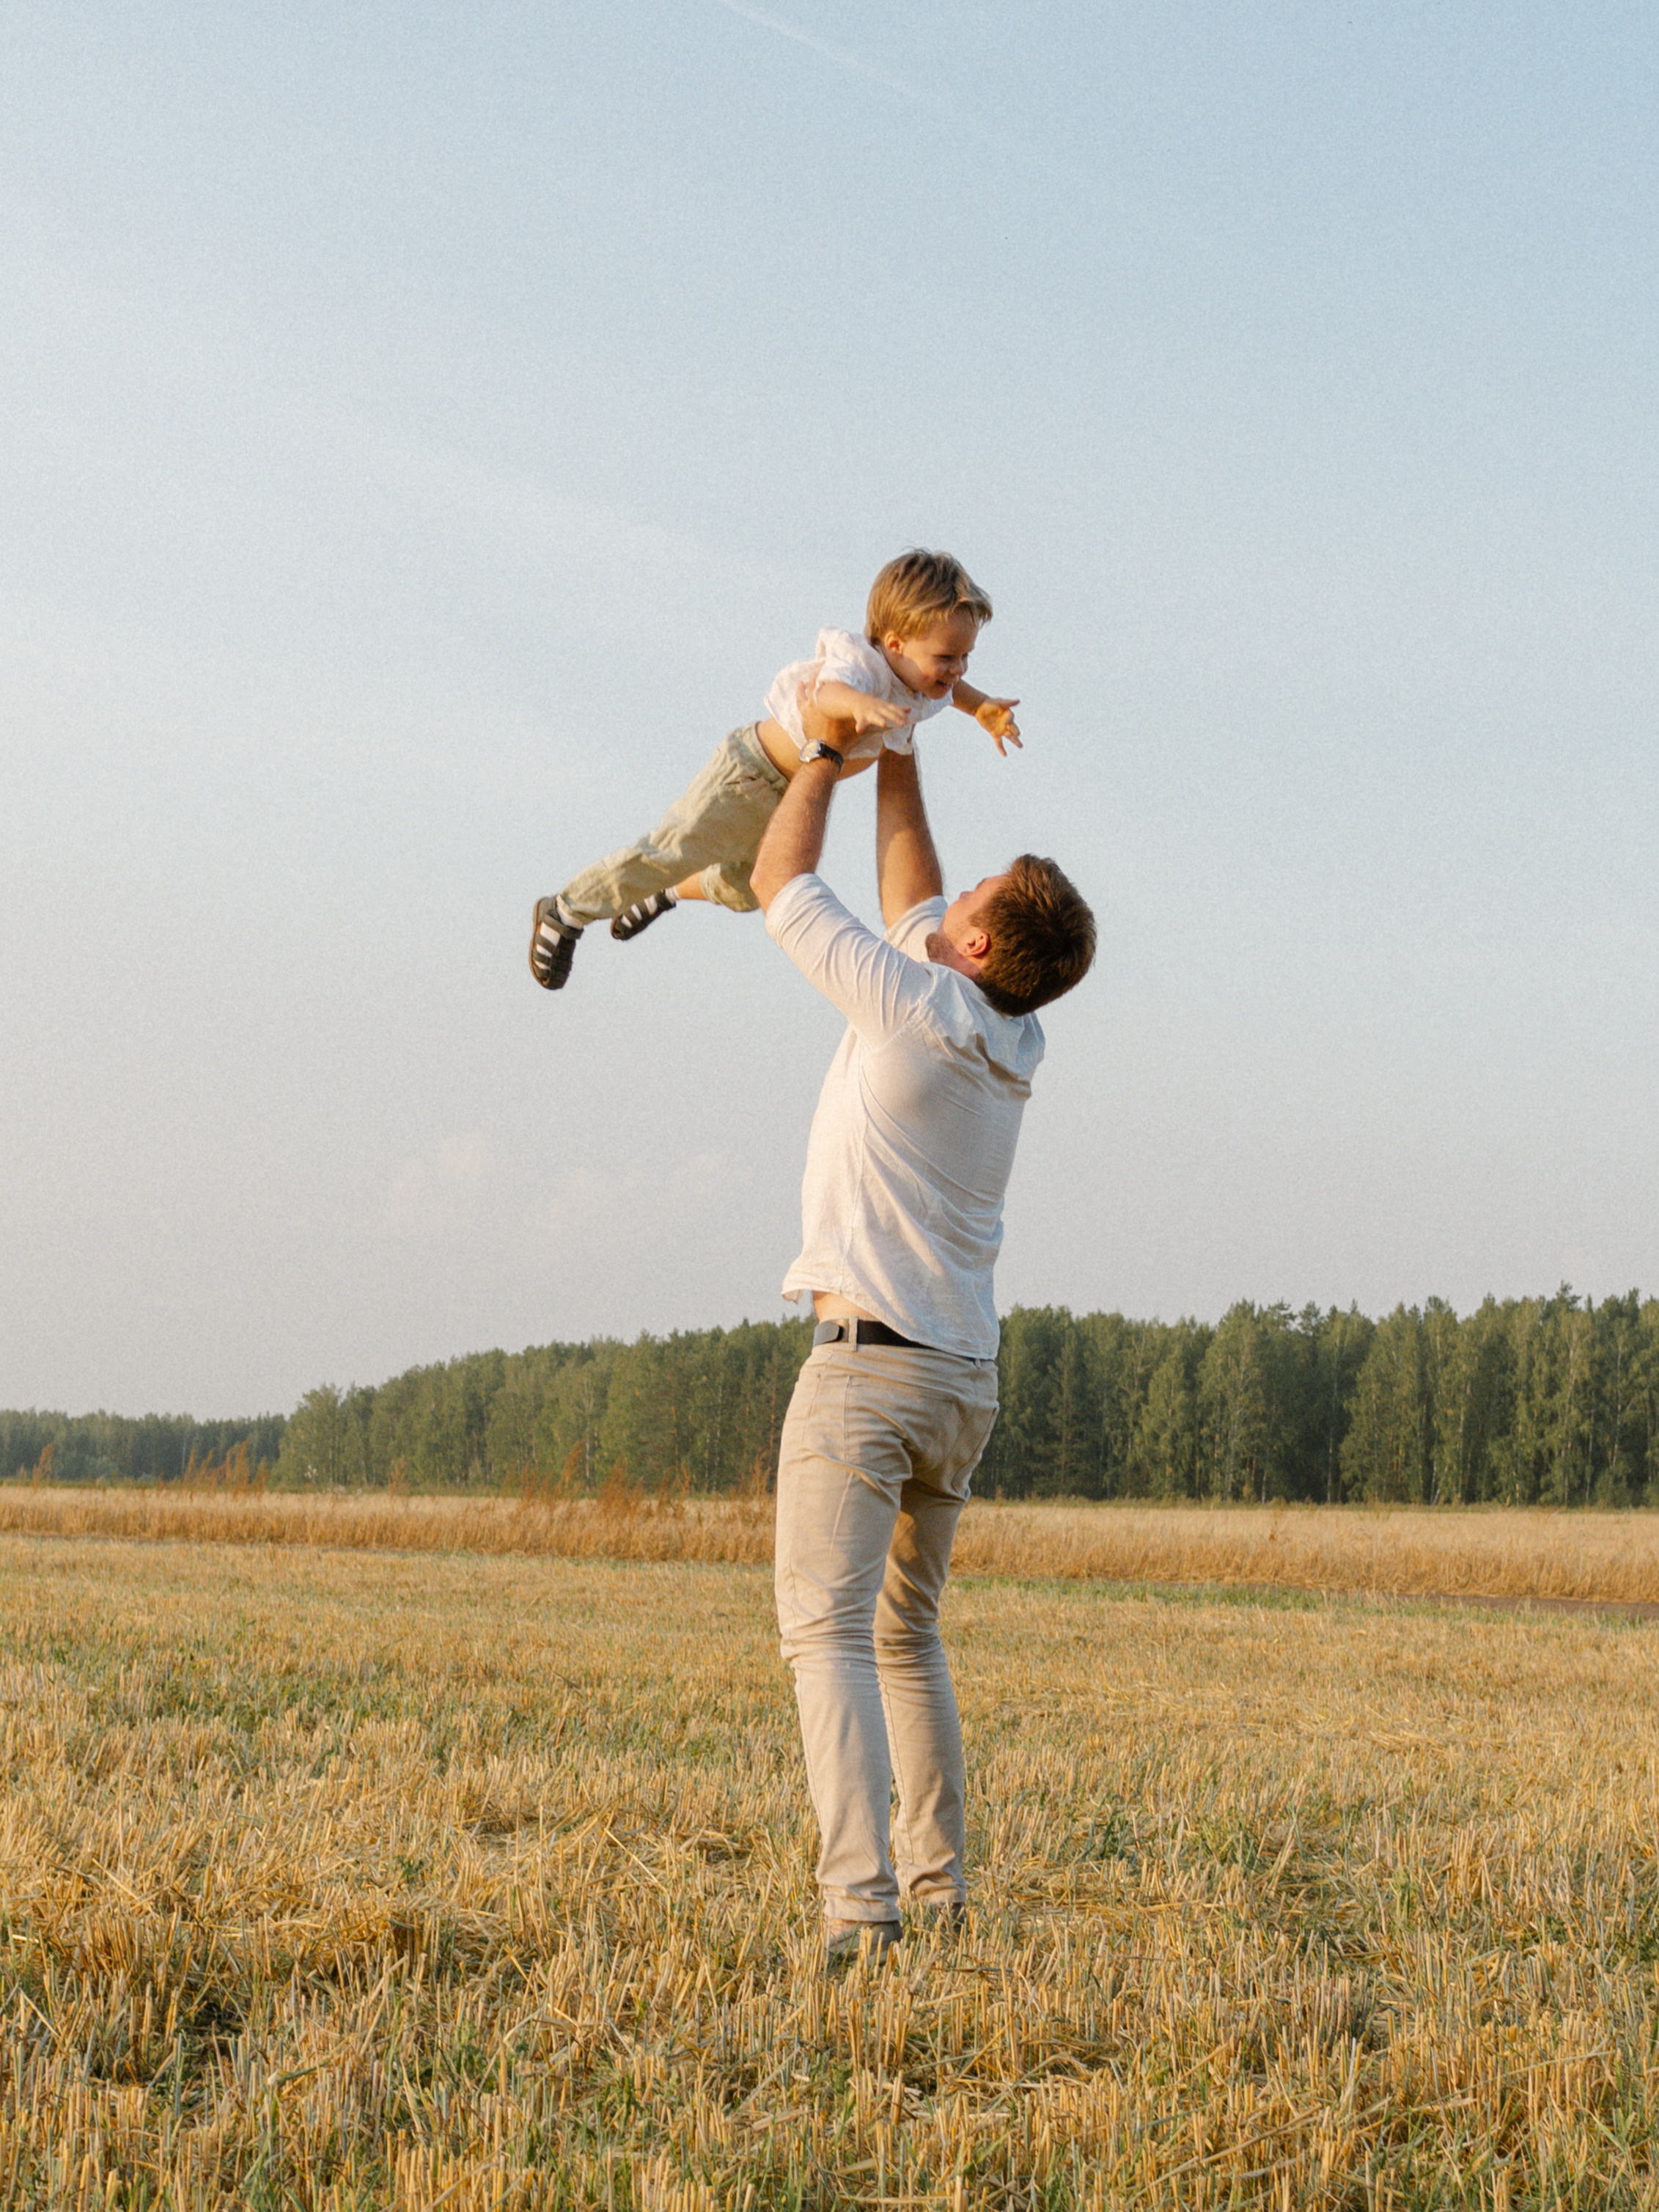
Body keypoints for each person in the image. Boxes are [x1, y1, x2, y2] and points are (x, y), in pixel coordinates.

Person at [749, 694, 1096, 1969]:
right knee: (906, 1634)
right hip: (960, 1377)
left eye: (970, 902)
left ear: (977, 939)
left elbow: (780, 875)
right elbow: (917, 885)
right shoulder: (1006, 1028)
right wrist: (902, 741)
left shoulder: (909, 1007)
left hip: (870, 1371)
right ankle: (939, 1890)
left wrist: (825, 744)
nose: (947, 904)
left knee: (825, 1634)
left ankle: (858, 1904)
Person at [526, 550, 1022, 991]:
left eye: (965, 657)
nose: (957, 670)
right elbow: (826, 694)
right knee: (672, 850)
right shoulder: (864, 667)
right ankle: (566, 909)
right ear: (894, 643)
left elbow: (956, 693)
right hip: (748, 775)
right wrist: (859, 706)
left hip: (790, 795)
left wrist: (983, 710)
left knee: (749, 888)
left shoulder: (923, 685)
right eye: (947, 658)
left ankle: (665, 894)